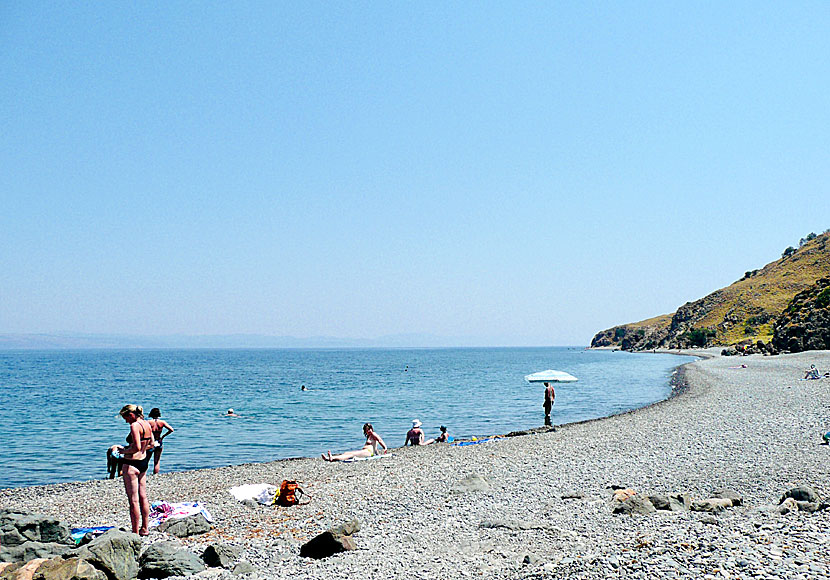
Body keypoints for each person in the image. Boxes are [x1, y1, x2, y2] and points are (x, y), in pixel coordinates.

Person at [109, 404, 155, 535]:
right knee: (143, 497)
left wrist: (122, 450)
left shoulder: (134, 426)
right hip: (143, 462)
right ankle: (145, 528)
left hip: (131, 464)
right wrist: (135, 449)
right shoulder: (147, 424)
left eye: (125, 418)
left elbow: (136, 448)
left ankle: (134, 532)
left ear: (131, 415)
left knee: (133, 500)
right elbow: (151, 444)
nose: (126, 421)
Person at [323, 423, 388, 461]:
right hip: (365, 451)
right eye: (367, 430)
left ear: (372, 429)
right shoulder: (369, 436)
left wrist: (385, 447)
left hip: (368, 452)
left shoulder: (374, 434)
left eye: (369, 429)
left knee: (352, 455)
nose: (369, 431)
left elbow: (380, 440)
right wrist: (377, 454)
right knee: (347, 453)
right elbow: (375, 447)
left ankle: (332, 458)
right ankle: (329, 458)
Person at [147, 408, 174, 475]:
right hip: (159, 441)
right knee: (157, 461)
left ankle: (143, 474)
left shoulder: (148, 422)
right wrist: (162, 437)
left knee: (146, 459)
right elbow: (171, 429)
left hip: (151, 442)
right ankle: (155, 474)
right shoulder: (162, 422)